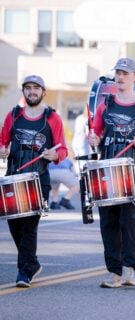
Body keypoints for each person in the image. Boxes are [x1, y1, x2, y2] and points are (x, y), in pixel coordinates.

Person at [88, 58, 135, 288]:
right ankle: (114, 272)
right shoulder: (104, 106)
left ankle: (129, 269)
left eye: (125, 73)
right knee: (108, 222)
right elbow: (96, 136)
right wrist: (93, 140)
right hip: (108, 170)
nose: (120, 77)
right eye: (118, 73)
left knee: (130, 221)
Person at [0, 75, 69, 288]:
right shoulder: (13, 115)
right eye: (28, 88)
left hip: (38, 180)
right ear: (24, 92)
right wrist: (2, 150)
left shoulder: (52, 118)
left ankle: (24, 272)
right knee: (14, 227)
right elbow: (2, 141)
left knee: (29, 226)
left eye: (36, 88)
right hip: (13, 179)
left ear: (43, 92)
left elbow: (63, 149)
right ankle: (33, 263)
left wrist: (54, 155)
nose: (32, 92)